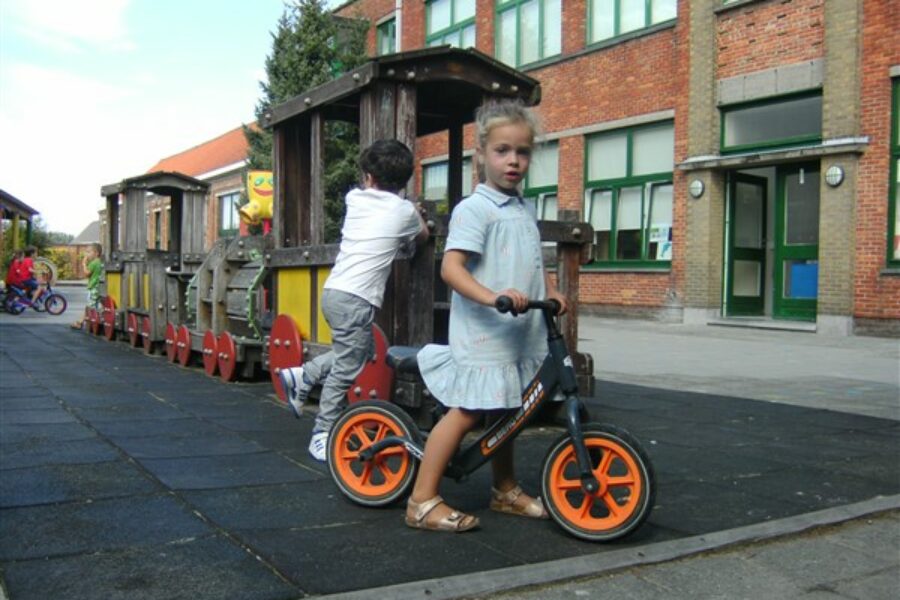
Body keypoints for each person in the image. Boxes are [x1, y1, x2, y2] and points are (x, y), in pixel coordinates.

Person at [405, 100, 568, 533]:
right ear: (481, 154)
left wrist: (549, 289)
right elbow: (451, 268)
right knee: (468, 411)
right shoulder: (474, 210)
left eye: (523, 151)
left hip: (518, 332)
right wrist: (493, 296)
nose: (513, 160)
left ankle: (504, 489)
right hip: (484, 333)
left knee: (506, 410)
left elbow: (534, 258)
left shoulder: (523, 208)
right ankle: (421, 501)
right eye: (502, 150)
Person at [278, 139, 428, 462]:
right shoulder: (404, 211)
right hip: (357, 299)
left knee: (363, 352)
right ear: (403, 183)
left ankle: (304, 374)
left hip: (334, 293)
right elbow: (422, 236)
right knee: (349, 366)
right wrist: (417, 214)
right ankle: (322, 431)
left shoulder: (355, 200)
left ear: (369, 178)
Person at [71, 244, 103, 329]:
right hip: (99, 286)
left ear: (96, 253)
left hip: (93, 287)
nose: (86, 254)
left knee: (90, 306)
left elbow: (87, 273)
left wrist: (84, 264)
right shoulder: (100, 262)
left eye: (89, 252)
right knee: (91, 305)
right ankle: (82, 322)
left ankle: (81, 323)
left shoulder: (94, 263)